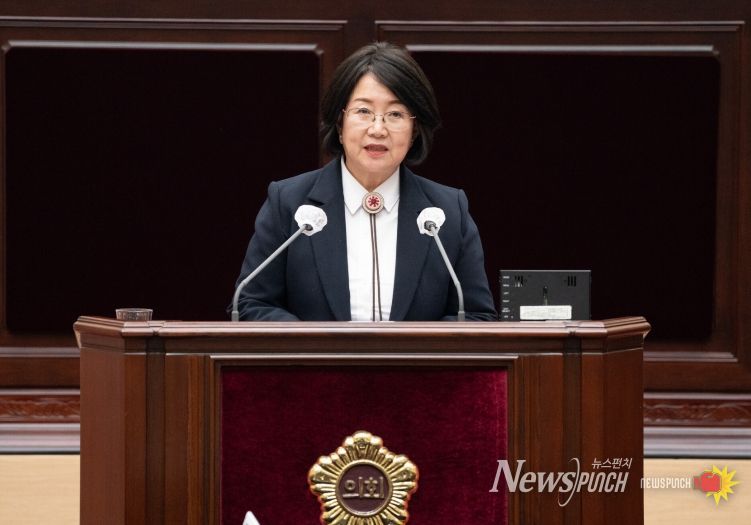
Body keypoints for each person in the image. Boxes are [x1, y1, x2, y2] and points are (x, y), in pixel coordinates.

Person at [232, 42, 496, 321]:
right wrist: (314, 343)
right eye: (363, 111)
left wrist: (413, 346)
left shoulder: (447, 212)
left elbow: (476, 315)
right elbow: (252, 303)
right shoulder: (289, 203)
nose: (378, 129)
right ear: (339, 123)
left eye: (395, 114)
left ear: (415, 130)